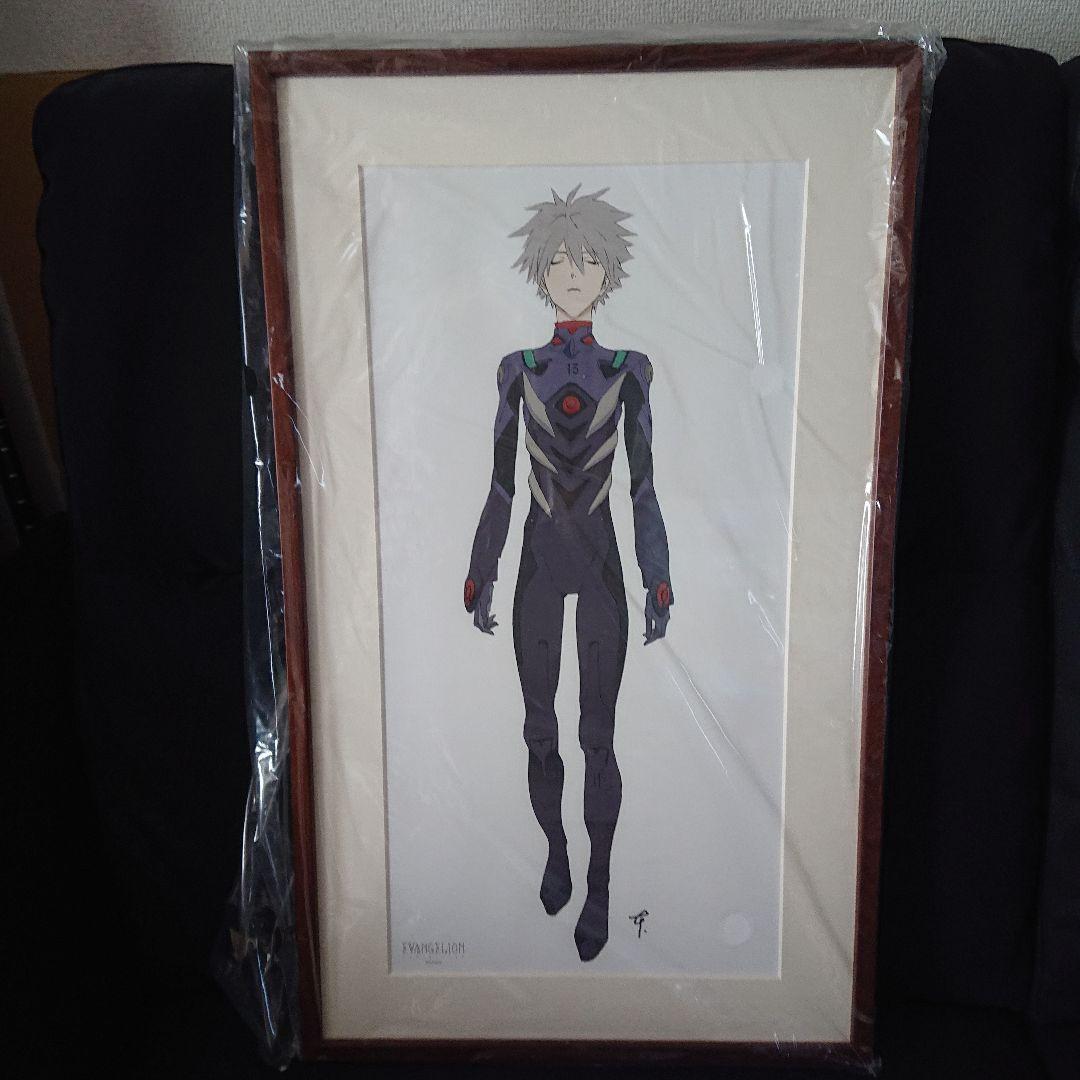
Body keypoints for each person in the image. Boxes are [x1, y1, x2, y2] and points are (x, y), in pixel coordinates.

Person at [464, 184, 673, 961]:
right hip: (538, 565)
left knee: (598, 739)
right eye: (559, 259)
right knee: (539, 732)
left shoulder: (631, 369)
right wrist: (482, 569)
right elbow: (500, 485)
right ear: (540, 271)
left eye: (588, 258)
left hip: (604, 563)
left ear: (608, 270)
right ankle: (556, 850)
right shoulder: (517, 369)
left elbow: (643, 487)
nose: (574, 271)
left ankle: (602, 885)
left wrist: (657, 576)